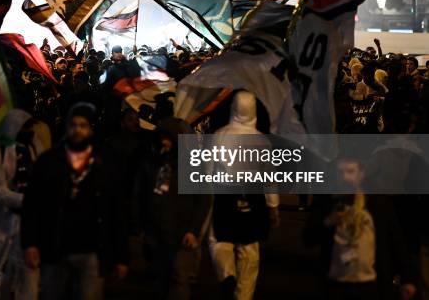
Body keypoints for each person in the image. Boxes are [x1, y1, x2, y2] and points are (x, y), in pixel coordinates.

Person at [22, 103, 128, 300]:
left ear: (91, 129)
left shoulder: (104, 163)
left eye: (83, 125)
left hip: (93, 249)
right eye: (73, 125)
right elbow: (33, 204)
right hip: (55, 245)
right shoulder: (49, 162)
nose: (77, 130)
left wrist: (121, 256)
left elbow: (116, 210)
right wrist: (29, 243)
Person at [305, 157, 416, 300]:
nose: (344, 177)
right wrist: (327, 222)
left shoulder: (378, 204)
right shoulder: (326, 203)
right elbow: (308, 239)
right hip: (336, 284)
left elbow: (396, 241)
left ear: (361, 174)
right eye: (339, 173)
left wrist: (407, 279)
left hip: (371, 284)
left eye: (350, 172)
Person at [209, 91, 280, 300]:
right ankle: (244, 295)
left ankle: (226, 274)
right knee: (249, 250)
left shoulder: (219, 135)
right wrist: (273, 206)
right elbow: (270, 177)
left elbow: (208, 168)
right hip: (253, 197)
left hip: (224, 194)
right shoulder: (262, 141)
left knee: (219, 240)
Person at [132, 117, 211, 300]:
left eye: (168, 138)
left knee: (179, 277)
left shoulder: (193, 166)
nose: (164, 142)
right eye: (162, 138)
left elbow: (203, 200)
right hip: (157, 233)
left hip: (182, 233)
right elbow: (141, 194)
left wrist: (194, 230)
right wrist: (141, 225)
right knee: (162, 278)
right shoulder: (153, 163)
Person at [0, 109, 42, 300]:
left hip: (24, 222)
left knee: (27, 271)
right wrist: (28, 201)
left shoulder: (32, 149)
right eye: (26, 127)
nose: (30, 131)